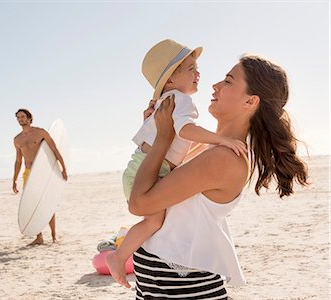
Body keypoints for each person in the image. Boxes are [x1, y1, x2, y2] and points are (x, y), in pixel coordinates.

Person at [126, 55, 309, 299]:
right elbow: (156, 179)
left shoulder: (223, 159)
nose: (215, 85)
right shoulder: (208, 149)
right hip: (164, 284)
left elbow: (139, 203)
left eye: (228, 81)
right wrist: (152, 138)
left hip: (182, 288)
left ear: (251, 101)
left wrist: (160, 140)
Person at [105, 39, 247, 288]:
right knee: (152, 221)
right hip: (147, 167)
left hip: (142, 166)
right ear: (169, 80)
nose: (200, 74)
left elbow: (176, 142)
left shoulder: (171, 101)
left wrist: (159, 136)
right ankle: (118, 256)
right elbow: (186, 130)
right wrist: (220, 139)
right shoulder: (181, 101)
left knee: (152, 220)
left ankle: (119, 256)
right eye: (190, 68)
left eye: (196, 67)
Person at [13, 108, 68, 245]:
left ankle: (54, 236)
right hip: (28, 173)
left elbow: (55, 150)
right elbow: (18, 160)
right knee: (33, 205)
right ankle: (39, 237)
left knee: (46, 203)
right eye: (18, 117)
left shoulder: (40, 132)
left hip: (42, 173)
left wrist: (63, 168)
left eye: (23, 116)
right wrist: (14, 180)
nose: (21, 119)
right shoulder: (17, 139)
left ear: (29, 118)